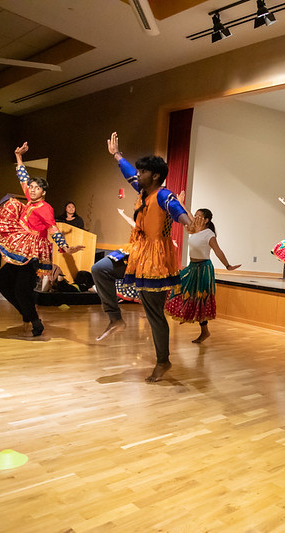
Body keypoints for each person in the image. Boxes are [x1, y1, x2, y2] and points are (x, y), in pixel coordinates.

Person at [91, 132, 193, 382]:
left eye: (143, 172)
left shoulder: (162, 194)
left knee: (153, 312)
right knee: (100, 269)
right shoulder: (143, 190)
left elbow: (177, 211)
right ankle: (115, 319)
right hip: (136, 249)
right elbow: (128, 174)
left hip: (157, 258)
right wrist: (117, 155)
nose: (138, 175)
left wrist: (189, 223)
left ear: (155, 175)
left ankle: (163, 361)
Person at [0, 142, 84, 337]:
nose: (32, 190)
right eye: (31, 187)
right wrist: (19, 158)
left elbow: (53, 228)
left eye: (37, 188)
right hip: (21, 249)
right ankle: (29, 315)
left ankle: (33, 320)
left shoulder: (44, 208)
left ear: (44, 192)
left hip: (32, 253)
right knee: (1, 280)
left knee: (21, 289)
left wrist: (65, 247)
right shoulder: (30, 199)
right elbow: (23, 178)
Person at [165, 208, 241, 343]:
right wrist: (181, 203)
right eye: (196, 215)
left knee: (200, 299)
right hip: (192, 267)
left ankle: (204, 332)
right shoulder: (194, 229)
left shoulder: (209, 234)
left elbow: (218, 251)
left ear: (206, 220)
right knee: (176, 286)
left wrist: (228, 266)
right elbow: (188, 214)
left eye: (199, 216)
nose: (195, 217)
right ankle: (186, 314)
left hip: (203, 270)